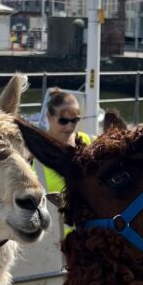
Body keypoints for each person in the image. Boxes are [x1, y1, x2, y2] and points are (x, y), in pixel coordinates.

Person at [35, 88, 94, 240]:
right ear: (48, 117)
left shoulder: (91, 143)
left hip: (90, 236)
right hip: (54, 243)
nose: (69, 127)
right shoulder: (36, 153)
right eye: (63, 121)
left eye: (75, 120)